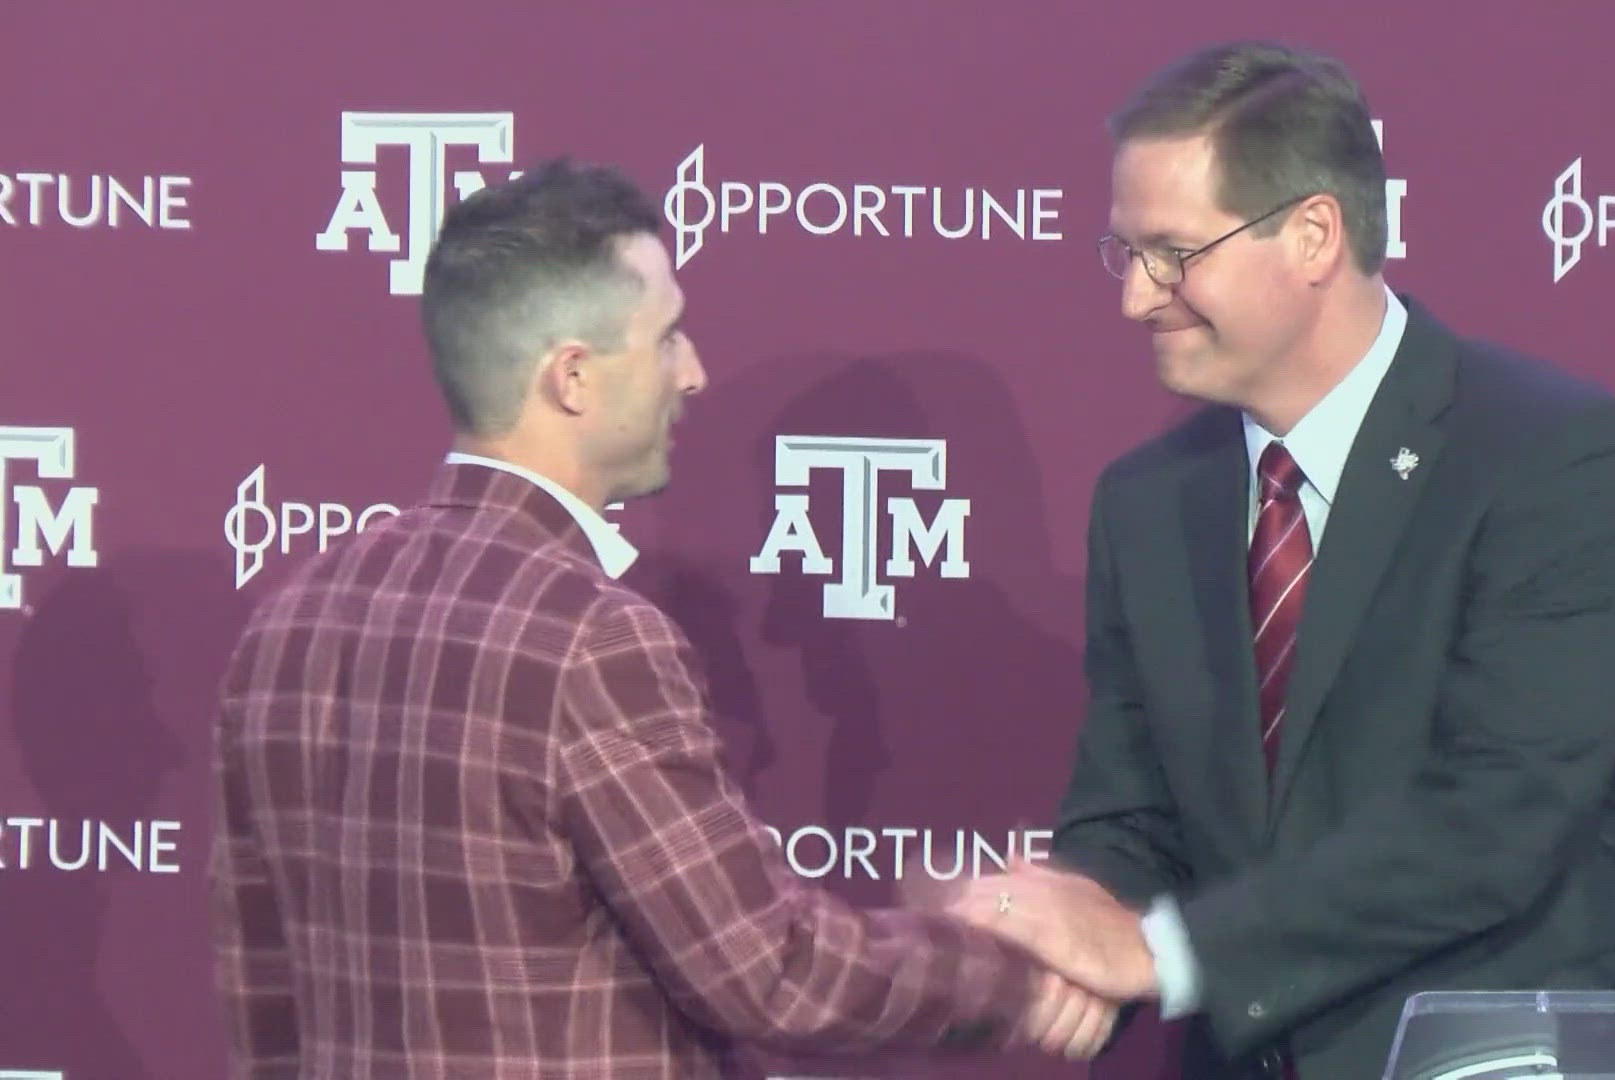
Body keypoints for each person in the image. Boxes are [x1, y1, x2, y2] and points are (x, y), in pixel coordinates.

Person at [207, 159, 1115, 1078]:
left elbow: (260, 990)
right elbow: (770, 971)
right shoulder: (586, 637)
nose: (693, 372)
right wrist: (1012, 975)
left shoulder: (287, 624)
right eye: (667, 337)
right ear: (572, 377)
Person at [950, 41, 1615, 1079]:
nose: (1137, 299)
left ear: (1312, 235)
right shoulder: (1148, 502)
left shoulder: (1551, 455)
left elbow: (1497, 819)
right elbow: (1132, 814)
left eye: (1174, 252)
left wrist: (1160, 952)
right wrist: (1067, 930)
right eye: (1126, 254)